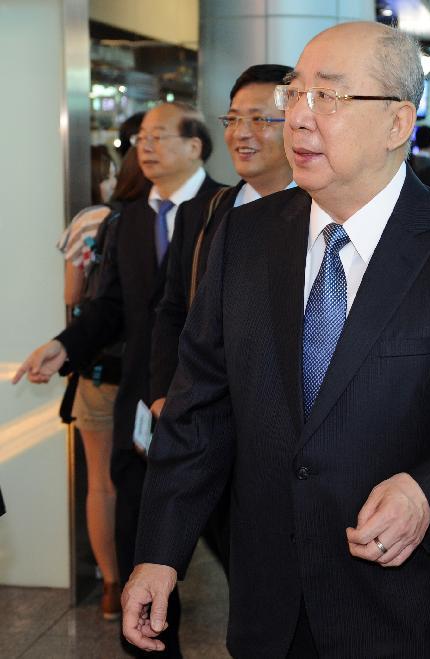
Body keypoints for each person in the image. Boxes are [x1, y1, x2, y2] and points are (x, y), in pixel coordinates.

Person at [121, 22, 430, 658]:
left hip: (409, 611)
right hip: (270, 606)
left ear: (398, 122)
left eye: (329, 97)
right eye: (294, 95)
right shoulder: (243, 239)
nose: (298, 118)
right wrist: (160, 553)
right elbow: (197, 410)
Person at [14, 102, 222, 657]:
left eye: (158, 136)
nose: (144, 147)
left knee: (233, 538)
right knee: (140, 531)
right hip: (139, 404)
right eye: (139, 139)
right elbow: (110, 307)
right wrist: (64, 346)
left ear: (195, 146)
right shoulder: (127, 218)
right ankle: (152, 645)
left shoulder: (229, 209)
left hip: (217, 404)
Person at [148, 63, 296, 573]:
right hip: (208, 422)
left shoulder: (323, 216)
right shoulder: (206, 212)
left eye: (260, 120)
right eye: (233, 119)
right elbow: (172, 311)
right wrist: (166, 393)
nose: (242, 134)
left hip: (284, 436)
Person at [55, 145, 146, 622]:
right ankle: (150, 580)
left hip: (98, 368)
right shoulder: (164, 219)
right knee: (151, 481)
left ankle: (112, 585)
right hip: (150, 372)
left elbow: (72, 296)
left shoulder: (92, 219)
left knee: (101, 484)